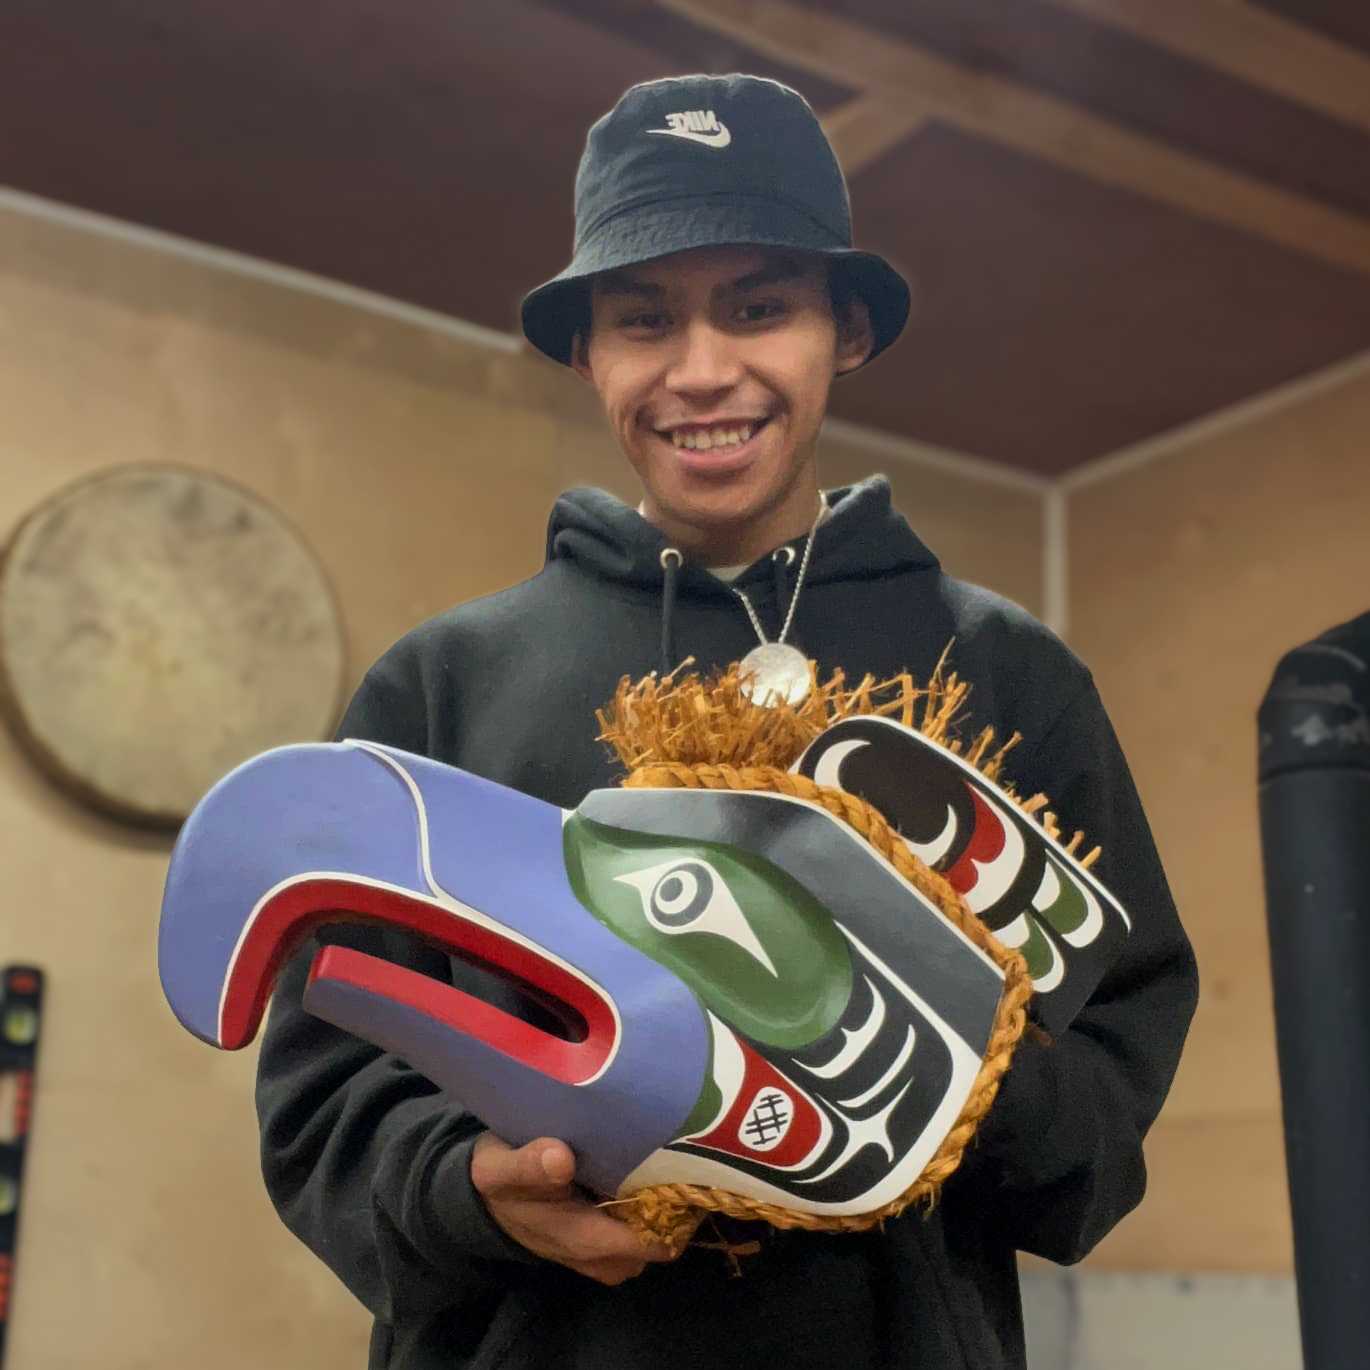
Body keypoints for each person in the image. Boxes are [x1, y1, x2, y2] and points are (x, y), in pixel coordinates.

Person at [255, 73, 1198, 1370]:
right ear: (586, 349)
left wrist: (945, 1065)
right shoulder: (437, 686)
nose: (702, 370)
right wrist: (472, 1186)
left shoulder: (1004, 673)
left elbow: (1103, 1112)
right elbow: (323, 1102)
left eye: (759, 306)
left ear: (846, 327)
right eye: (644, 319)